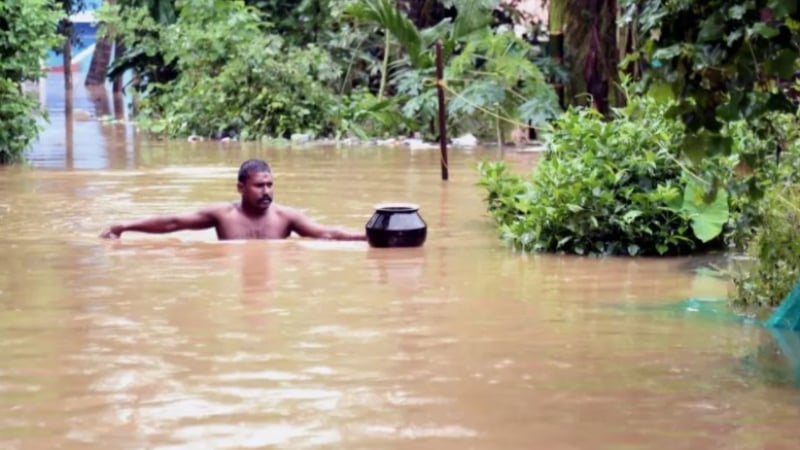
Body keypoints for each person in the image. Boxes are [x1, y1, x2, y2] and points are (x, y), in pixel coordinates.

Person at [100, 159, 367, 241]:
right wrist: (123, 226)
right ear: (241, 187)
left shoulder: (286, 218)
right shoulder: (223, 215)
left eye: (270, 185)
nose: (266, 192)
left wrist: (367, 237)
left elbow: (328, 234)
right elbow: (173, 223)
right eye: (259, 186)